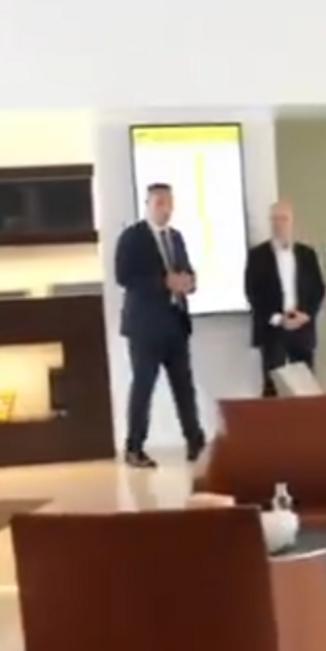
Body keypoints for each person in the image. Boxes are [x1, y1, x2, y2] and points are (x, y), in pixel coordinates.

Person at [115, 181, 207, 469]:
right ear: (148, 205)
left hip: (175, 323)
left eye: (169, 203)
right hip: (145, 327)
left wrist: (189, 282)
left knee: (184, 387)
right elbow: (123, 276)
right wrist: (163, 282)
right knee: (143, 387)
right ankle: (134, 448)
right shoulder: (133, 237)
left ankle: (195, 442)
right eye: (159, 203)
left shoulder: (175, 237)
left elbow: (185, 270)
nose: (165, 209)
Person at [244, 201, 326, 395]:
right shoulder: (257, 256)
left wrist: (306, 315)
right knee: (273, 387)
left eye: (283, 219)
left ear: (292, 222)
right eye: (275, 219)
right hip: (273, 330)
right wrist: (278, 319)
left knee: (305, 388)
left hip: (302, 328)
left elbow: (318, 289)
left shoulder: (307, 254)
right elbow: (252, 292)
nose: (279, 224)